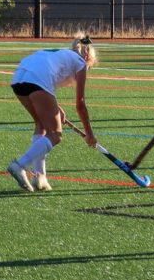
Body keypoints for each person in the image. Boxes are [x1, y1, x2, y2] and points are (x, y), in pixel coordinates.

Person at [6, 36, 98, 192]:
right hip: (36, 79)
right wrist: (89, 134)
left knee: (41, 125)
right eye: (90, 68)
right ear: (87, 57)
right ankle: (20, 165)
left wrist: (57, 108)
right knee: (55, 134)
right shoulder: (80, 63)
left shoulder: (62, 55)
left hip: (19, 77)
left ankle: (40, 177)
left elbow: (46, 81)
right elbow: (80, 105)